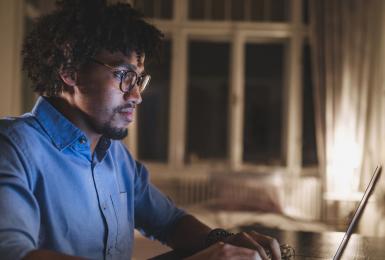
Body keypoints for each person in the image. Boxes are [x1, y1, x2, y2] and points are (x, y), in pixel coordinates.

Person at [0, 1, 281, 259]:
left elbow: (170, 221)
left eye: (139, 79)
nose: (136, 95)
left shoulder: (117, 158)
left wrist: (226, 242)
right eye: (123, 75)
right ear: (70, 70)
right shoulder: (13, 147)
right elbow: (14, 254)